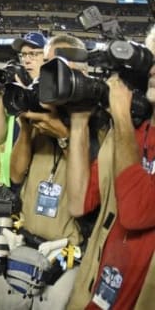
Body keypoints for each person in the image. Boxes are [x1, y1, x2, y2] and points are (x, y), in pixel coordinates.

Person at [0, 34, 91, 309]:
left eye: (51, 66)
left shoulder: (94, 119)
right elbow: (17, 174)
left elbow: (93, 191)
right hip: (24, 243)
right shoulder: (39, 114)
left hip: (65, 256)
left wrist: (65, 135)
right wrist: (27, 126)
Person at [65, 30, 155, 310]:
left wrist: (121, 117)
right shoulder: (135, 131)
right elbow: (79, 201)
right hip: (103, 293)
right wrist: (79, 122)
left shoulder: (127, 128)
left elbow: (135, 212)